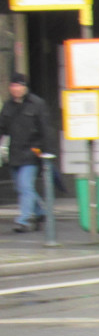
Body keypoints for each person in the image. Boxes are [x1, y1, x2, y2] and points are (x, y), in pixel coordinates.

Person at [0, 72, 55, 233]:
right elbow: (2, 127)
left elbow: (46, 130)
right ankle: (40, 212)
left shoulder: (37, 104)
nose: (16, 89)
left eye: (19, 86)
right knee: (21, 187)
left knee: (25, 185)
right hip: (15, 153)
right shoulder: (8, 106)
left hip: (31, 153)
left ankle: (23, 220)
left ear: (25, 87)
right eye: (13, 86)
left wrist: (48, 153)